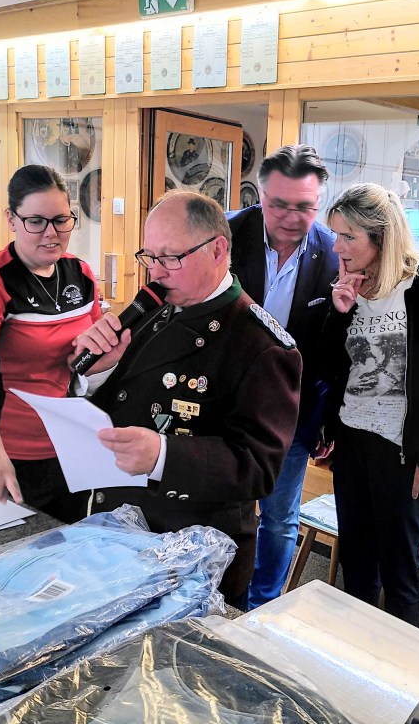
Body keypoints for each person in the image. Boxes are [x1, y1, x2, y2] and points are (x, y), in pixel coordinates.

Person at [73, 190, 302, 605]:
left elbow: (258, 467)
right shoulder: (154, 310)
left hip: (191, 562)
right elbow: (123, 401)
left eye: (171, 257)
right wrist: (97, 371)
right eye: (150, 256)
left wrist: (164, 455)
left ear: (218, 250)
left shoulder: (261, 345)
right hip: (116, 540)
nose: (156, 271)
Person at [319, 183, 419, 625]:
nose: (337, 247)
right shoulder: (348, 284)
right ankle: (357, 655)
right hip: (353, 443)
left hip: (405, 452)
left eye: (348, 236)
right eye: (336, 235)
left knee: (401, 572)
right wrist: (338, 313)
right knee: (357, 564)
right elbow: (326, 366)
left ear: (381, 236)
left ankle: (402, 663)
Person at [0, 164, 102, 521]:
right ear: (12, 220)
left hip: (62, 450)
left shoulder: (80, 274)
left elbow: (88, 360)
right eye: (36, 221)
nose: (51, 233)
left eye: (61, 220)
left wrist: (111, 350)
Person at [227, 144, 339, 609]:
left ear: (319, 202)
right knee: (227, 506)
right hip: (225, 401)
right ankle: (221, 596)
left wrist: (327, 419)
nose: (292, 218)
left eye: (305, 207)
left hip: (293, 408)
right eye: (279, 205)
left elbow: (334, 348)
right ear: (260, 196)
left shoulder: (333, 254)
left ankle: (264, 604)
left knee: (278, 516)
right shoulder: (226, 236)